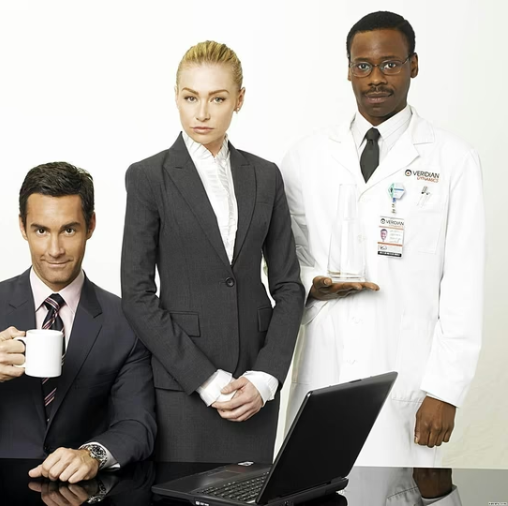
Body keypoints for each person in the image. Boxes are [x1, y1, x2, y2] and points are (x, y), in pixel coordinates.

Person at [281, 11, 484, 467]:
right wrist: (315, 281)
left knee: (400, 493)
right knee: (313, 489)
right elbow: (280, 258)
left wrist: (445, 390)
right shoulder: (304, 157)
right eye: (363, 66)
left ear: (413, 65)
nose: (376, 78)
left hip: (407, 378)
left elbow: (464, 285)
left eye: (390, 64)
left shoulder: (453, 160)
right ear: (349, 69)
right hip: (323, 368)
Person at [0, 162, 156, 483]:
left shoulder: (126, 321)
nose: (55, 250)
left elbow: (138, 424)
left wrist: (93, 454)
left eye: (69, 230)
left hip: (81, 495)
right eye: (41, 230)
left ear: (90, 225)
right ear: (23, 227)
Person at [120, 40, 304, 463]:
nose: (202, 112)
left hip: (253, 385)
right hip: (184, 386)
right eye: (191, 97)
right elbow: (137, 294)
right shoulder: (149, 177)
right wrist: (204, 379)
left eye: (217, 98)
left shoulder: (265, 176)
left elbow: (289, 286)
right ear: (177, 98)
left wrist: (266, 375)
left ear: (239, 100)